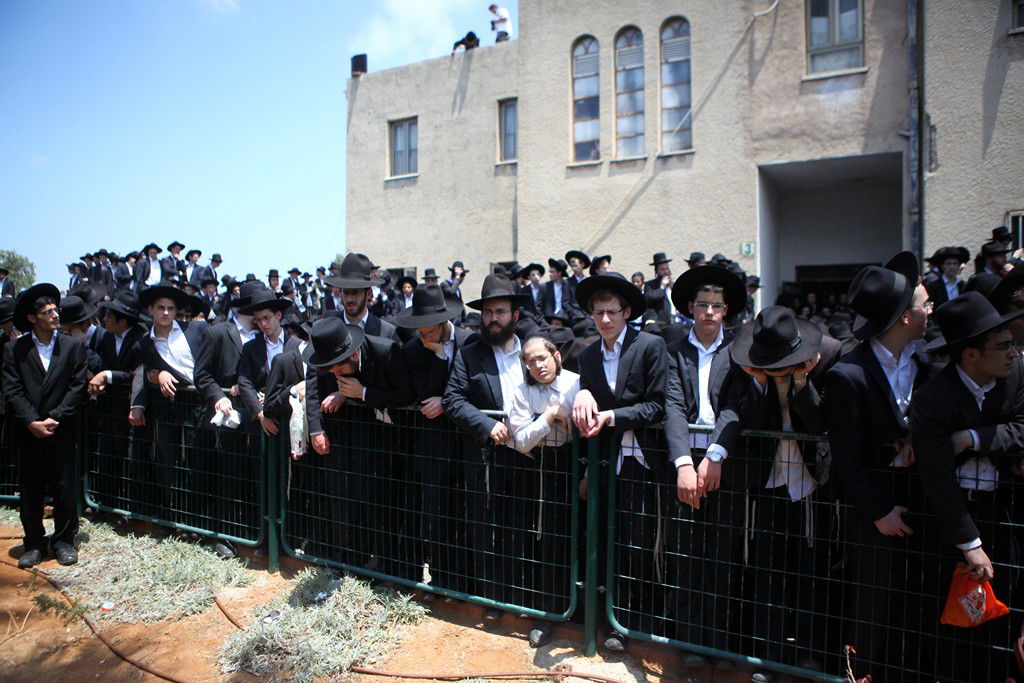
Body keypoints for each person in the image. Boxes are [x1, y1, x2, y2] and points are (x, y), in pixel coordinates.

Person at [824, 251, 934, 681]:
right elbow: (845, 457)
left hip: (920, 498)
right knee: (873, 600)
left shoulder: (923, 363)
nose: (931, 310)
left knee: (914, 599)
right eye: (924, 304)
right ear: (905, 318)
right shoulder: (849, 373)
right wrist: (878, 512)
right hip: (873, 510)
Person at [912, 292, 1024, 682]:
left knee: (1001, 615)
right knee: (953, 623)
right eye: (1004, 346)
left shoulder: (1015, 380)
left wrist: (973, 437)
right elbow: (936, 476)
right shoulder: (932, 398)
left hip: (1003, 512)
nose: (1014, 352)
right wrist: (970, 544)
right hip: (952, 523)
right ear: (971, 355)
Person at [727, 306, 843, 681]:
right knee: (767, 569)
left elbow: (822, 424)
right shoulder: (747, 369)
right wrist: (762, 384)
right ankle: (769, 653)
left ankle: (810, 654)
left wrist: (800, 382)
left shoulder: (830, 360)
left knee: (811, 571)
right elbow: (747, 420)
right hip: (769, 481)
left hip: (810, 483)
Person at [571, 271, 668, 653]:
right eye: (599, 313)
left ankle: (640, 623)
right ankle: (615, 620)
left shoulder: (650, 346)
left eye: (612, 312)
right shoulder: (588, 355)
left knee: (644, 544)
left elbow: (658, 404)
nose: (606, 320)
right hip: (609, 463)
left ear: (627, 312)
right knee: (608, 541)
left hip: (646, 460)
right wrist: (581, 394)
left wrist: (611, 417)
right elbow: (588, 394)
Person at [662, 264, 747, 669]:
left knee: (722, 555)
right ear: (690, 309)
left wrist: (714, 455)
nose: (709, 312)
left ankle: (722, 643)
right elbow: (674, 407)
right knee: (686, 553)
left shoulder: (738, 350)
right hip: (685, 460)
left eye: (716, 305)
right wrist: (683, 464)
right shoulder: (675, 350)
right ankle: (690, 643)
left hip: (721, 461)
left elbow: (734, 406)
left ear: (726, 310)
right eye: (702, 305)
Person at [442, 274, 533, 614]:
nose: (494, 318)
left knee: (524, 527)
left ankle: (525, 597)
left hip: (530, 455)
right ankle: (494, 597)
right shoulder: (469, 354)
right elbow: (453, 399)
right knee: (486, 526)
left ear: (515, 316)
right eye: (489, 312)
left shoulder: (533, 350)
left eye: (501, 311)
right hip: (486, 456)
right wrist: (487, 423)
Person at [304, 316, 413, 568]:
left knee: (382, 504)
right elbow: (314, 391)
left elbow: (406, 394)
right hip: (344, 438)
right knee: (346, 501)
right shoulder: (327, 355)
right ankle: (352, 560)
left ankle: (386, 567)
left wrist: (360, 393)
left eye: (337, 370)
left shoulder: (386, 350)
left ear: (353, 356)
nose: (334, 374)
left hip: (387, 440)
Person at [3, 283, 88, 568]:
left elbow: (78, 386)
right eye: (47, 310)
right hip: (29, 432)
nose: (54, 314)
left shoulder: (73, 346)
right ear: (32, 317)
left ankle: (63, 541)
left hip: (61, 429)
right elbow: (12, 390)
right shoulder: (15, 349)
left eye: (55, 309)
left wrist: (57, 417)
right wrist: (31, 421)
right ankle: (34, 543)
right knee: (31, 488)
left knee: (64, 487)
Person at [395, 284, 472, 593]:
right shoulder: (414, 349)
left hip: (468, 441)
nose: (425, 337)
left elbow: (476, 387)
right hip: (432, 445)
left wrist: (447, 401)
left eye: (430, 332)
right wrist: (439, 356)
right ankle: (441, 578)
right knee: (436, 514)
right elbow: (423, 394)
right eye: (421, 332)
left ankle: (468, 580)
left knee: (467, 512)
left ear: (444, 322)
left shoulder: (470, 341)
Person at [508, 336, 580, 647]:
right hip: (541, 466)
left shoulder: (577, 383)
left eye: (543, 358)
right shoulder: (523, 391)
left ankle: (583, 613)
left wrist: (569, 421)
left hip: (579, 463)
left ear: (556, 356)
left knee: (581, 536)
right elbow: (522, 440)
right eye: (530, 360)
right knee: (546, 536)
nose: (538, 365)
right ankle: (548, 611)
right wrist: (549, 416)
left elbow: (587, 431)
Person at [129, 284, 208, 522]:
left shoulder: (195, 331)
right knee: (167, 462)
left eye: (171, 308)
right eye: (161, 308)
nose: (166, 313)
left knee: (198, 460)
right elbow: (145, 372)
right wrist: (156, 375)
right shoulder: (142, 344)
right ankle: (173, 515)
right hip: (165, 407)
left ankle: (197, 518)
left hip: (197, 405)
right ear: (151, 310)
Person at [237, 289, 301, 437]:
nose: (263, 323)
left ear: (278, 315)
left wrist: (275, 399)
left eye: (267, 317)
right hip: (262, 422)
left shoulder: (298, 345)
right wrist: (260, 414)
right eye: (258, 320)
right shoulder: (250, 348)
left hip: (291, 417)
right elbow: (244, 382)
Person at [323, 253, 401, 343]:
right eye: (346, 292)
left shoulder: (386, 332)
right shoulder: (328, 331)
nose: (349, 299)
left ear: (368, 294)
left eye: (355, 292)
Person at [644, 252, 676, 326]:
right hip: (659, 324)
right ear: (657, 271)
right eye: (662, 269)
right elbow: (649, 299)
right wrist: (662, 287)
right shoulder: (650, 285)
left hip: (674, 321)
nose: (665, 272)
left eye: (667, 268)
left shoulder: (673, 285)